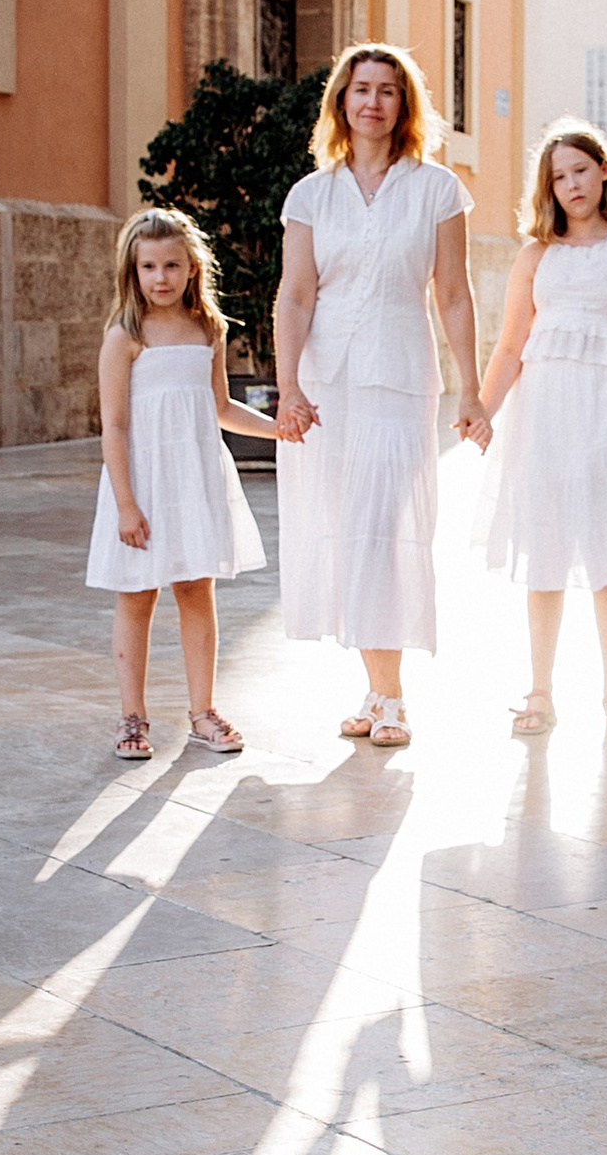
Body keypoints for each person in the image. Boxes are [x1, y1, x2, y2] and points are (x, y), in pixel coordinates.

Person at [272, 40, 487, 748]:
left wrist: (472, 391)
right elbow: (296, 296)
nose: (373, 102)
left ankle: (390, 695)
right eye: (361, 89)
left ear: (404, 105)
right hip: (329, 384)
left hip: (400, 378)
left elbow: (453, 294)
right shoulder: (311, 194)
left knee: (385, 529)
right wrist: (288, 386)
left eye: (387, 91)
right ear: (342, 101)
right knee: (346, 528)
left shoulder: (436, 189)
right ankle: (375, 688)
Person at [470, 118, 607, 735]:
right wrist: (482, 408)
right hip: (545, 420)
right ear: (547, 189)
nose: (571, 184)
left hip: (604, 418)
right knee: (545, 553)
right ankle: (540, 692)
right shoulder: (536, 257)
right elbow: (509, 347)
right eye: (558, 177)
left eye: (580, 170)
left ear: (605, 171)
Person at [88, 206, 271, 762]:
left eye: (172, 265)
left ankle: (202, 711)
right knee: (136, 596)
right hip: (141, 483)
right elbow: (114, 425)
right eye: (149, 267)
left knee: (197, 591)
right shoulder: (125, 335)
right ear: (133, 270)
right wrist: (126, 505)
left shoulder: (206, 329)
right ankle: (132, 717)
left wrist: (280, 432)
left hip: (193, 479)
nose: (161, 277)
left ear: (193, 268)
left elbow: (220, 407)